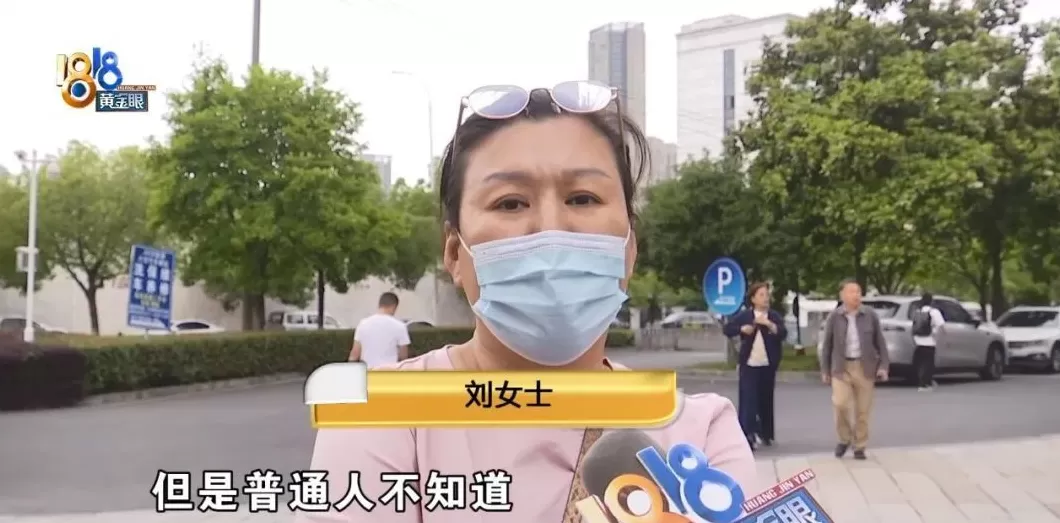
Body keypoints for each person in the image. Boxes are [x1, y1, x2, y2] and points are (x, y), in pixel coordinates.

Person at [298, 83, 756, 522]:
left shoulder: (700, 433)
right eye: (511, 203)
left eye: (583, 198)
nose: (551, 228)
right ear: (455, 254)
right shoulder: (379, 418)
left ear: (629, 250)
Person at [820, 279, 889, 460]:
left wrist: (883, 366)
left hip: (864, 367)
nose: (856, 295)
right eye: (851, 292)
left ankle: (859, 445)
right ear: (842, 295)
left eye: (858, 292)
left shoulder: (870, 315)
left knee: (863, 410)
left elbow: (880, 342)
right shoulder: (835, 317)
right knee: (840, 404)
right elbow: (827, 345)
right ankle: (844, 438)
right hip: (841, 367)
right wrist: (825, 370)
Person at [723, 282, 787, 450]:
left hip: (768, 364)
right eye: (761, 295)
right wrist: (742, 329)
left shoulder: (773, 316)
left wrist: (769, 325)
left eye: (767, 295)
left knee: (765, 398)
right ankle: (747, 434)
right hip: (749, 364)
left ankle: (766, 433)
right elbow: (728, 329)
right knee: (748, 400)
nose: (765, 298)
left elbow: (783, 333)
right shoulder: (745, 316)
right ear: (753, 299)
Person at [348, 292, 410, 368]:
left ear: (379, 305)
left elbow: (355, 354)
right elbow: (403, 356)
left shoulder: (363, 324)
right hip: (389, 371)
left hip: (368, 371)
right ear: (394, 306)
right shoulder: (400, 326)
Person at [911, 292, 944, 391]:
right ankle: (925, 384)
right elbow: (941, 326)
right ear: (931, 301)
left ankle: (921, 382)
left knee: (920, 363)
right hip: (930, 341)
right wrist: (939, 336)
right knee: (928, 364)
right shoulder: (934, 312)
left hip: (918, 341)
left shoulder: (918, 311)